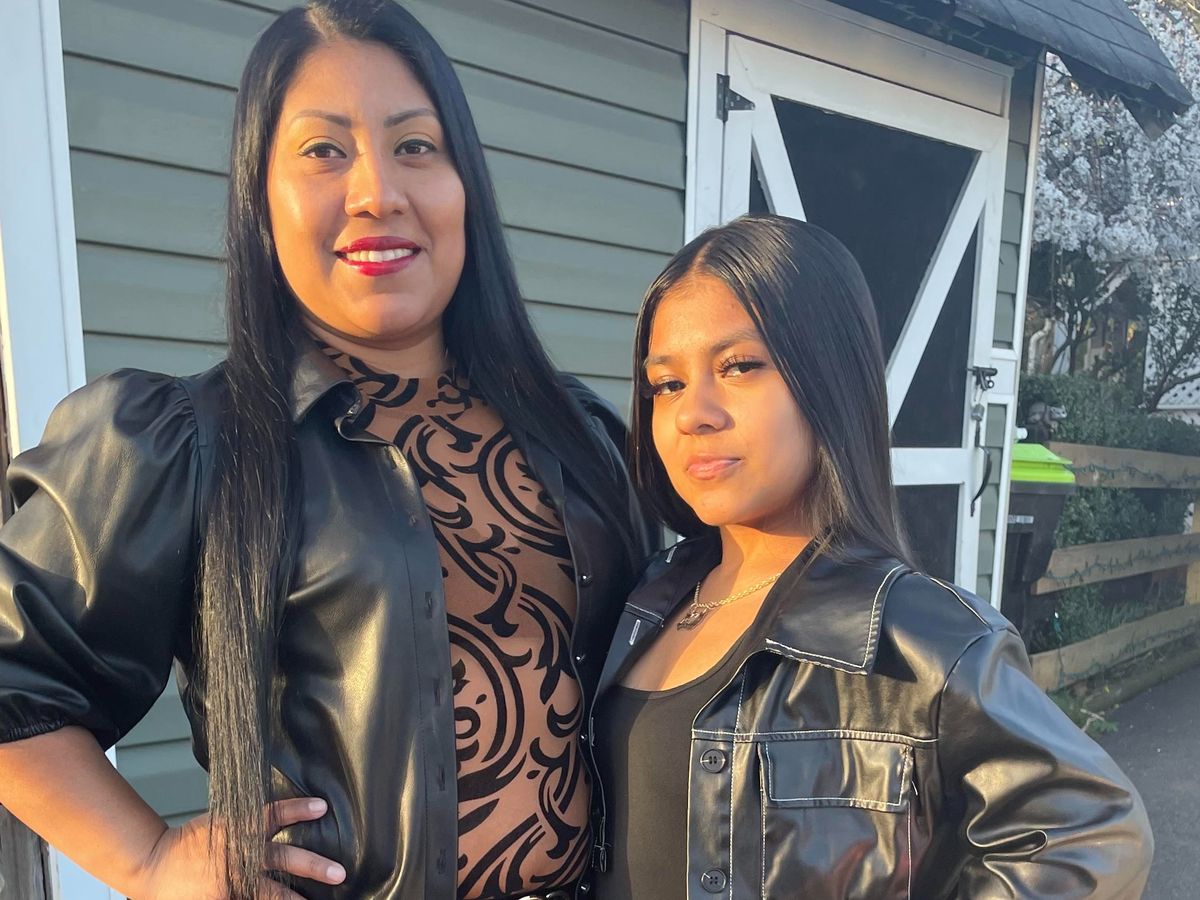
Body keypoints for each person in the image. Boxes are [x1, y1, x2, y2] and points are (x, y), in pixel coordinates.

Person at [0, 2, 650, 898]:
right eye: (323, 151)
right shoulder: (193, 443)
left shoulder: (579, 435)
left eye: (415, 146)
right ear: (260, 200)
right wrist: (147, 861)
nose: (378, 191)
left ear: (465, 185)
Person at [588, 215, 1153, 899]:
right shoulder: (644, 600)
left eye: (738, 366)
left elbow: (1094, 837)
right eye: (666, 384)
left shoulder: (924, 643)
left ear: (830, 377)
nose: (692, 413)